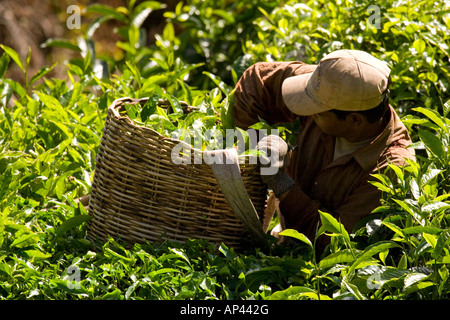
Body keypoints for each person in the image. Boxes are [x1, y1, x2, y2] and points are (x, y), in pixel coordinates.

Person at [233, 49, 415, 250]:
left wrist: (281, 183)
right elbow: (256, 81)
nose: (310, 113)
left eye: (317, 113)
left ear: (355, 120)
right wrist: (252, 151)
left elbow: (335, 242)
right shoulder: (331, 86)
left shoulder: (390, 169)